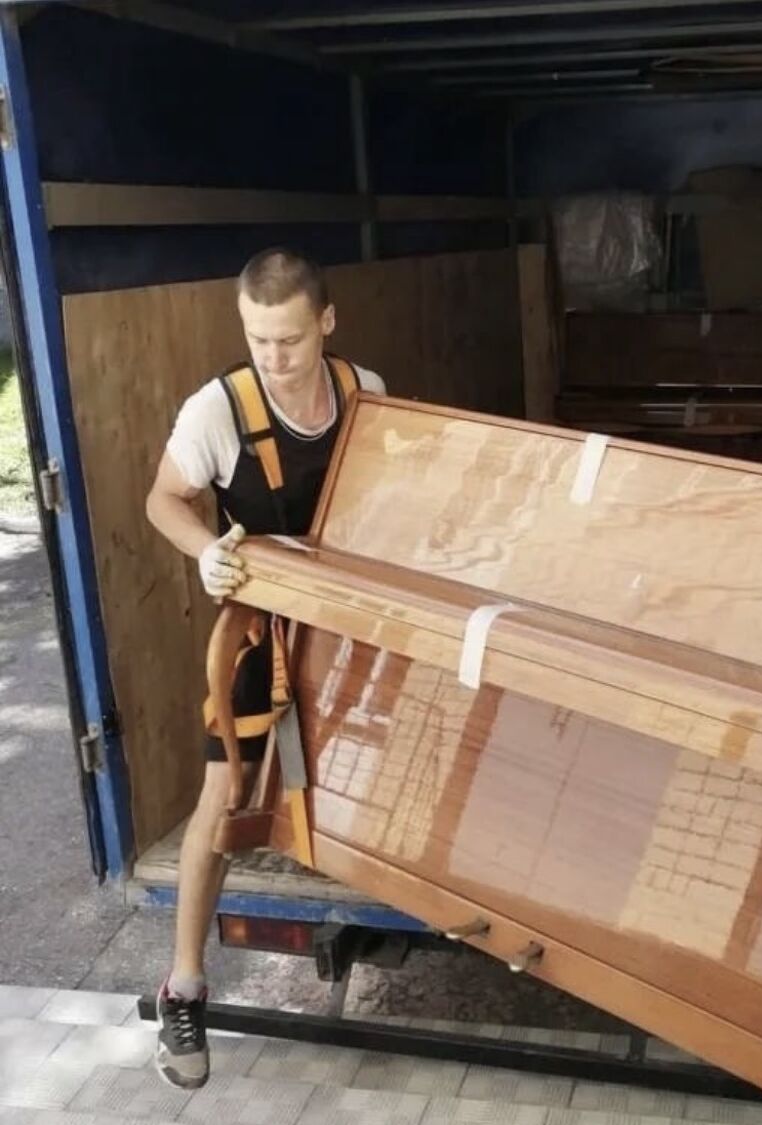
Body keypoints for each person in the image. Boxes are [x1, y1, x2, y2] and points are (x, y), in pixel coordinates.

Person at [145, 248, 385, 1088]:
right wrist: (205, 550)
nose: (274, 358)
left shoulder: (366, 392)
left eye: (289, 339)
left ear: (326, 321)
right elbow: (162, 498)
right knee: (222, 800)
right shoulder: (217, 410)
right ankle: (184, 987)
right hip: (262, 634)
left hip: (349, 625)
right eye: (258, 339)